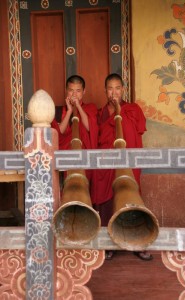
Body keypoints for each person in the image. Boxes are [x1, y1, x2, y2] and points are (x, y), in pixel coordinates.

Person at [91, 73, 153, 261]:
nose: (114, 92)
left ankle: (137, 242)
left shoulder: (132, 109)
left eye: (118, 88)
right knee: (107, 200)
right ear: (105, 91)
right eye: (110, 88)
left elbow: (139, 129)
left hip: (127, 160)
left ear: (123, 89)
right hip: (107, 164)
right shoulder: (101, 113)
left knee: (130, 196)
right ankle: (109, 244)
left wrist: (119, 112)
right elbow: (97, 137)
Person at [51, 75, 98, 181]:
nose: (74, 94)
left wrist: (78, 107)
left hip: (84, 159)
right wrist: (69, 111)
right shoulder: (58, 111)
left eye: (78, 91)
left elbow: (89, 127)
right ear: (66, 91)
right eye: (71, 90)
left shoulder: (90, 108)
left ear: (84, 91)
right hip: (63, 160)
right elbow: (59, 133)